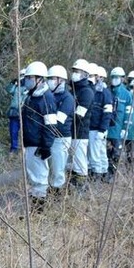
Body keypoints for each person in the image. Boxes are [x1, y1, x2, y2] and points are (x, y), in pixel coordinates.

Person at [21, 61, 57, 212]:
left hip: (38, 144)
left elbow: (50, 125)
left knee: (40, 178)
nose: (27, 80)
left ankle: (38, 212)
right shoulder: (31, 96)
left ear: (40, 79)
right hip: (30, 143)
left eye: (31, 77)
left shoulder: (46, 98)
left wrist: (46, 146)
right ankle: (34, 210)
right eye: (27, 77)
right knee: (33, 177)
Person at [47, 65, 74, 196]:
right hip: (49, 137)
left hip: (61, 137)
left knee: (58, 169)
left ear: (60, 80)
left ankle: (58, 195)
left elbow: (58, 120)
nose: (49, 81)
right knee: (50, 167)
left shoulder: (68, 98)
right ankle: (51, 191)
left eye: (52, 78)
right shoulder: (49, 96)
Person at [69, 58, 95, 190]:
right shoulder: (72, 89)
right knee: (71, 163)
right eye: (73, 70)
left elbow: (79, 116)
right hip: (70, 133)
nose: (74, 73)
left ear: (85, 74)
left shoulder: (86, 92)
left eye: (77, 71)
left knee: (79, 163)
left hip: (79, 133)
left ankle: (81, 188)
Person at [106, 67, 131, 182]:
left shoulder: (127, 95)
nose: (115, 79)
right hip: (106, 128)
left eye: (117, 77)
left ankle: (112, 174)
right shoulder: (106, 91)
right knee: (105, 152)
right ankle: (104, 173)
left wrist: (125, 128)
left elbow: (128, 114)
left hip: (118, 129)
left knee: (115, 153)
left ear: (122, 78)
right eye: (113, 77)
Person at [88, 65, 114, 181]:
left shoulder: (105, 93)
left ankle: (98, 176)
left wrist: (102, 130)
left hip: (97, 129)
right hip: (94, 128)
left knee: (95, 154)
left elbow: (107, 114)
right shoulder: (94, 91)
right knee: (100, 152)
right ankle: (104, 173)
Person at [5, 69, 27, 154]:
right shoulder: (17, 87)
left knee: (26, 131)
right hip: (14, 112)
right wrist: (12, 83)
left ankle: (25, 147)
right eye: (20, 75)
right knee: (13, 131)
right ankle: (14, 148)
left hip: (24, 112)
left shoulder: (29, 88)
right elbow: (9, 90)